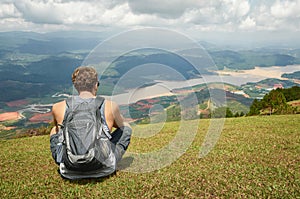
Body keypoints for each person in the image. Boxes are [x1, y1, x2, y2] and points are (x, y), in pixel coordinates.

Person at [50, 66, 132, 179]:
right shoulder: (109, 105)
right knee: (126, 127)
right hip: (104, 168)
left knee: (54, 130)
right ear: (96, 84)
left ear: (75, 85)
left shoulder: (58, 107)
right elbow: (121, 127)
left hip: (69, 170)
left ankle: (69, 159)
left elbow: (60, 135)